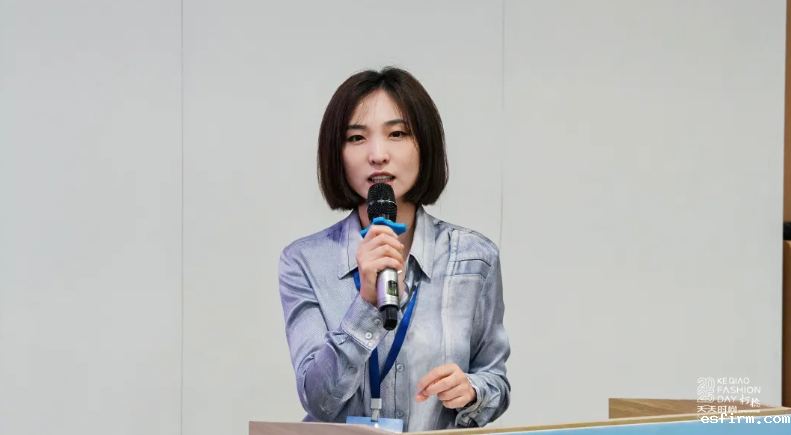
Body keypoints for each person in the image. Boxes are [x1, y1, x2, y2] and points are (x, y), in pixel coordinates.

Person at [278, 66, 511, 432]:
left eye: (397, 133)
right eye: (357, 138)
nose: (378, 154)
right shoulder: (306, 261)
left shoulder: (473, 257)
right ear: (336, 152)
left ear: (425, 144)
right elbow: (318, 400)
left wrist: (471, 391)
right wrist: (365, 305)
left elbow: (495, 381)